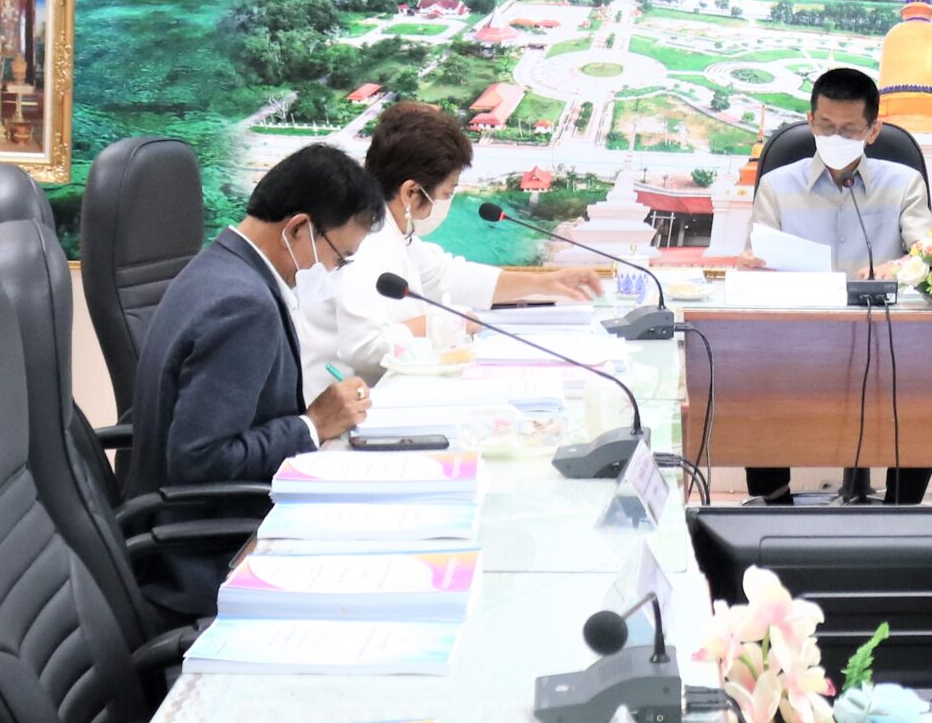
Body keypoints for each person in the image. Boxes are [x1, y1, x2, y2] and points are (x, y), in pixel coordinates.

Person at [125, 144, 384, 617]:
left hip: (190, 528)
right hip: (208, 555)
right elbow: (200, 459)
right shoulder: (244, 306)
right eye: (339, 257)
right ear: (298, 228)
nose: (334, 273)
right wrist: (312, 425)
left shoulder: (217, 266)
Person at [745, 67, 932, 506]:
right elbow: (758, 263)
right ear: (810, 121)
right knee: (748, 383)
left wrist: (900, 267)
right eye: (826, 126)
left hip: (884, 340)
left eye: (849, 130)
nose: (835, 138)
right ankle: (772, 512)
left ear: (873, 131)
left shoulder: (903, 183)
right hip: (798, 341)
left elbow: (928, 254)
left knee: (930, 386)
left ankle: (903, 511)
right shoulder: (776, 186)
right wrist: (752, 267)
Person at [302, 102, 602, 380]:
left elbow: (447, 276)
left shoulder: (391, 229)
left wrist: (544, 282)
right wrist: (444, 322)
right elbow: (365, 349)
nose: (446, 202)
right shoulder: (362, 243)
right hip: (358, 400)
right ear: (411, 192)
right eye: (446, 193)